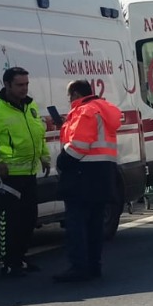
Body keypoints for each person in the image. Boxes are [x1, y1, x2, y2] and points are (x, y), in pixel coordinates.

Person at [0, 66, 50, 278]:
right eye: (19, 85)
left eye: (26, 84)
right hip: (8, 177)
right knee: (9, 221)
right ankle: (7, 262)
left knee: (29, 218)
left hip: (29, 173)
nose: (24, 89)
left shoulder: (30, 105)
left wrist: (44, 156)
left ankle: (21, 258)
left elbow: (38, 134)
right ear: (7, 85)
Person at [54, 79, 122, 282]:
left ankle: (78, 267)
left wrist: (63, 160)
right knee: (95, 224)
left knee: (76, 223)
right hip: (104, 171)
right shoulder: (103, 108)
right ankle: (94, 265)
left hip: (83, 173)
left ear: (75, 94)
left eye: (69, 97)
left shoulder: (85, 111)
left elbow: (80, 145)